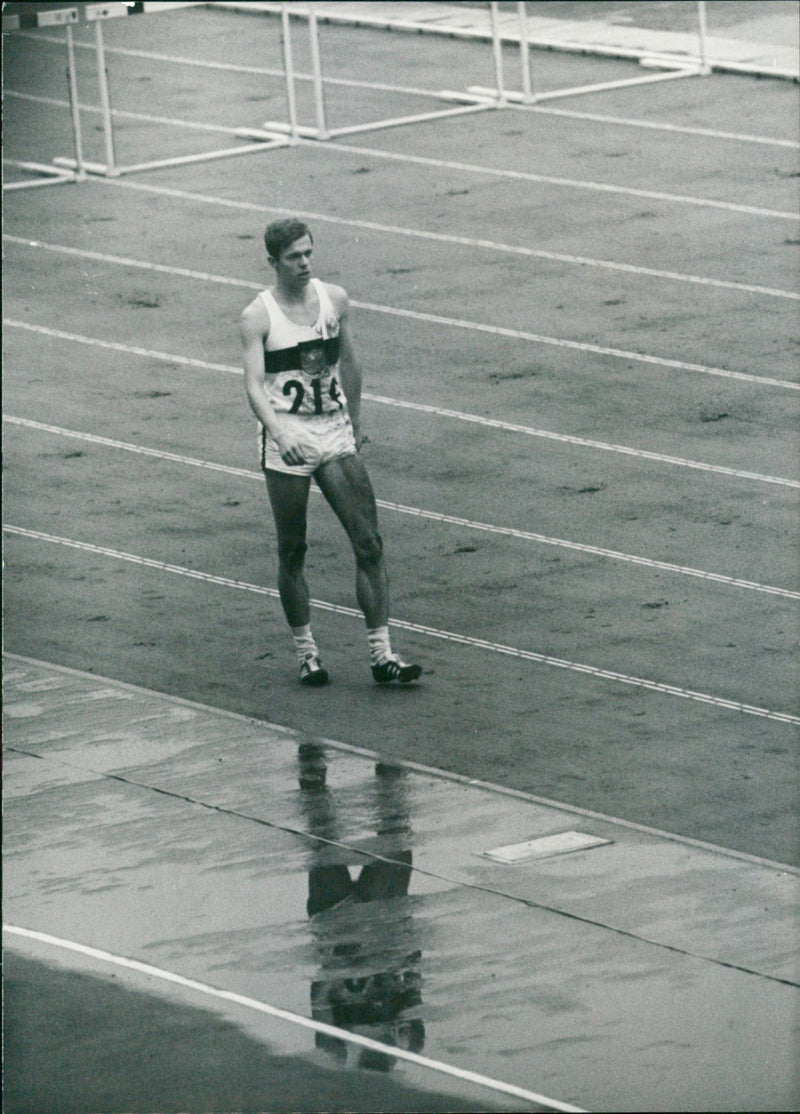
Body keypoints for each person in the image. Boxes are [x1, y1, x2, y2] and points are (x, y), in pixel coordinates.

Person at [240, 218, 422, 688]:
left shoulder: (334, 300)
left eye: (308, 253)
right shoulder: (258, 317)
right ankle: (307, 653)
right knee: (293, 547)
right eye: (293, 257)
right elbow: (254, 386)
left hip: (333, 432)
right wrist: (279, 434)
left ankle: (382, 655)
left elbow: (351, 361)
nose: (304, 263)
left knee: (369, 542)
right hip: (290, 438)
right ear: (273, 263)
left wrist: (355, 421)